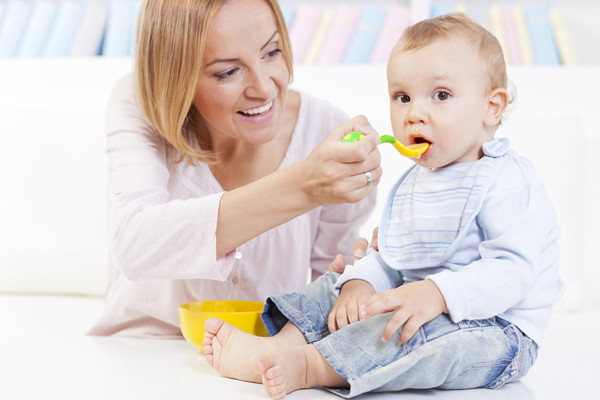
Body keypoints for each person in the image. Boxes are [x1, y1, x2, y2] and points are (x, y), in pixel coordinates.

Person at [202, 13, 564, 399]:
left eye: (440, 95)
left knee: (410, 331)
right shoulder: (418, 184)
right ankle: (282, 345)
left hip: (495, 331)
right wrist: (361, 282)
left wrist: (436, 294)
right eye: (402, 97)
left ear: (492, 107)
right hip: (422, 302)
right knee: (337, 288)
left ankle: (312, 365)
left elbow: (514, 271)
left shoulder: (507, 180)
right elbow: (394, 258)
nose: (414, 113)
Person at [88, 0, 382, 337]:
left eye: (271, 52)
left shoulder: (326, 129)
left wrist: (363, 280)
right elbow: (135, 244)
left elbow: (331, 294)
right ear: (176, 77)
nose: (264, 87)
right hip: (143, 350)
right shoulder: (142, 104)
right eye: (227, 72)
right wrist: (303, 186)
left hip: (263, 362)